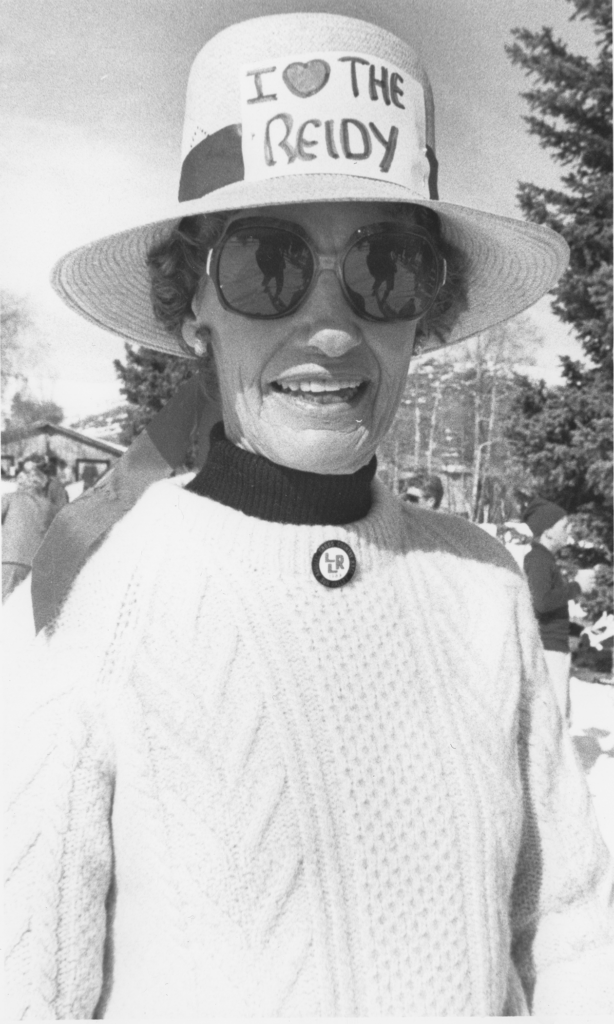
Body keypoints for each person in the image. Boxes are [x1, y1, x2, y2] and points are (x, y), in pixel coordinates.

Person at [5, 13, 613, 1019]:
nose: (327, 329)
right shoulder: (88, 607)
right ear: (192, 303)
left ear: (426, 308)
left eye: (383, 268)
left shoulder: (483, 587)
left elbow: (570, 932)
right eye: (267, 265)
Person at [522, 497, 594, 721]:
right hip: (548, 650)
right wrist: (576, 587)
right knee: (553, 718)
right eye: (564, 525)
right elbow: (542, 603)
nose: (569, 529)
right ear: (547, 532)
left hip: (554, 647)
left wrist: (571, 629)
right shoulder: (538, 560)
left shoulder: (544, 559)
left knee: (557, 716)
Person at [1, 454, 61, 601]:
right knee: (26, 605)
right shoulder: (50, 506)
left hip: (12, 559)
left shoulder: (10, 498)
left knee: (4, 603)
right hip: (36, 565)